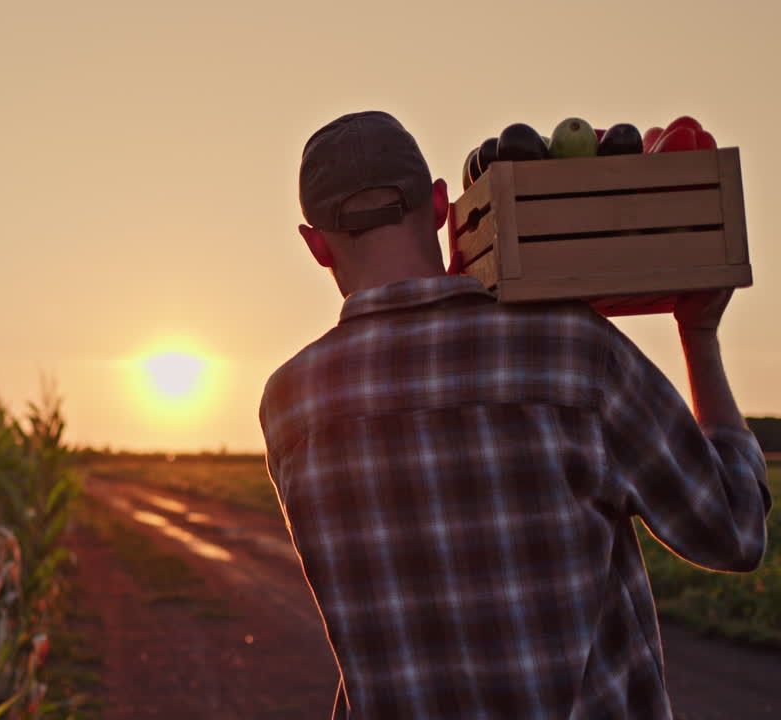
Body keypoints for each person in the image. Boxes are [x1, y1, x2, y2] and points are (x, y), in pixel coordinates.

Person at [258, 110, 772, 719]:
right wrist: (699, 333)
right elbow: (735, 530)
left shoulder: (291, 404)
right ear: (443, 207)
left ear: (316, 245)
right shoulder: (571, 350)